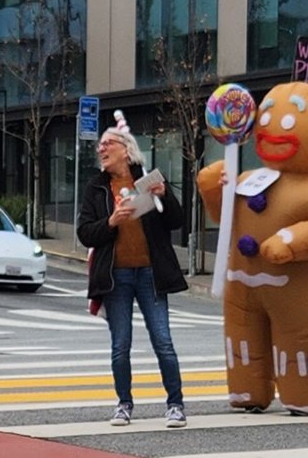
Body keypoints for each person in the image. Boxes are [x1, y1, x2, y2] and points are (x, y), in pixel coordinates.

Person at [77, 113, 189, 428]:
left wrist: (165, 195)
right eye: (99, 145)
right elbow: (85, 232)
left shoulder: (149, 180)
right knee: (120, 345)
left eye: (107, 144)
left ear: (125, 149)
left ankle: (176, 405)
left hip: (151, 273)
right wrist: (111, 222)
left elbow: (176, 221)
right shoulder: (96, 188)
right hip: (117, 276)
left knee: (163, 340)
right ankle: (124, 404)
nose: (101, 149)